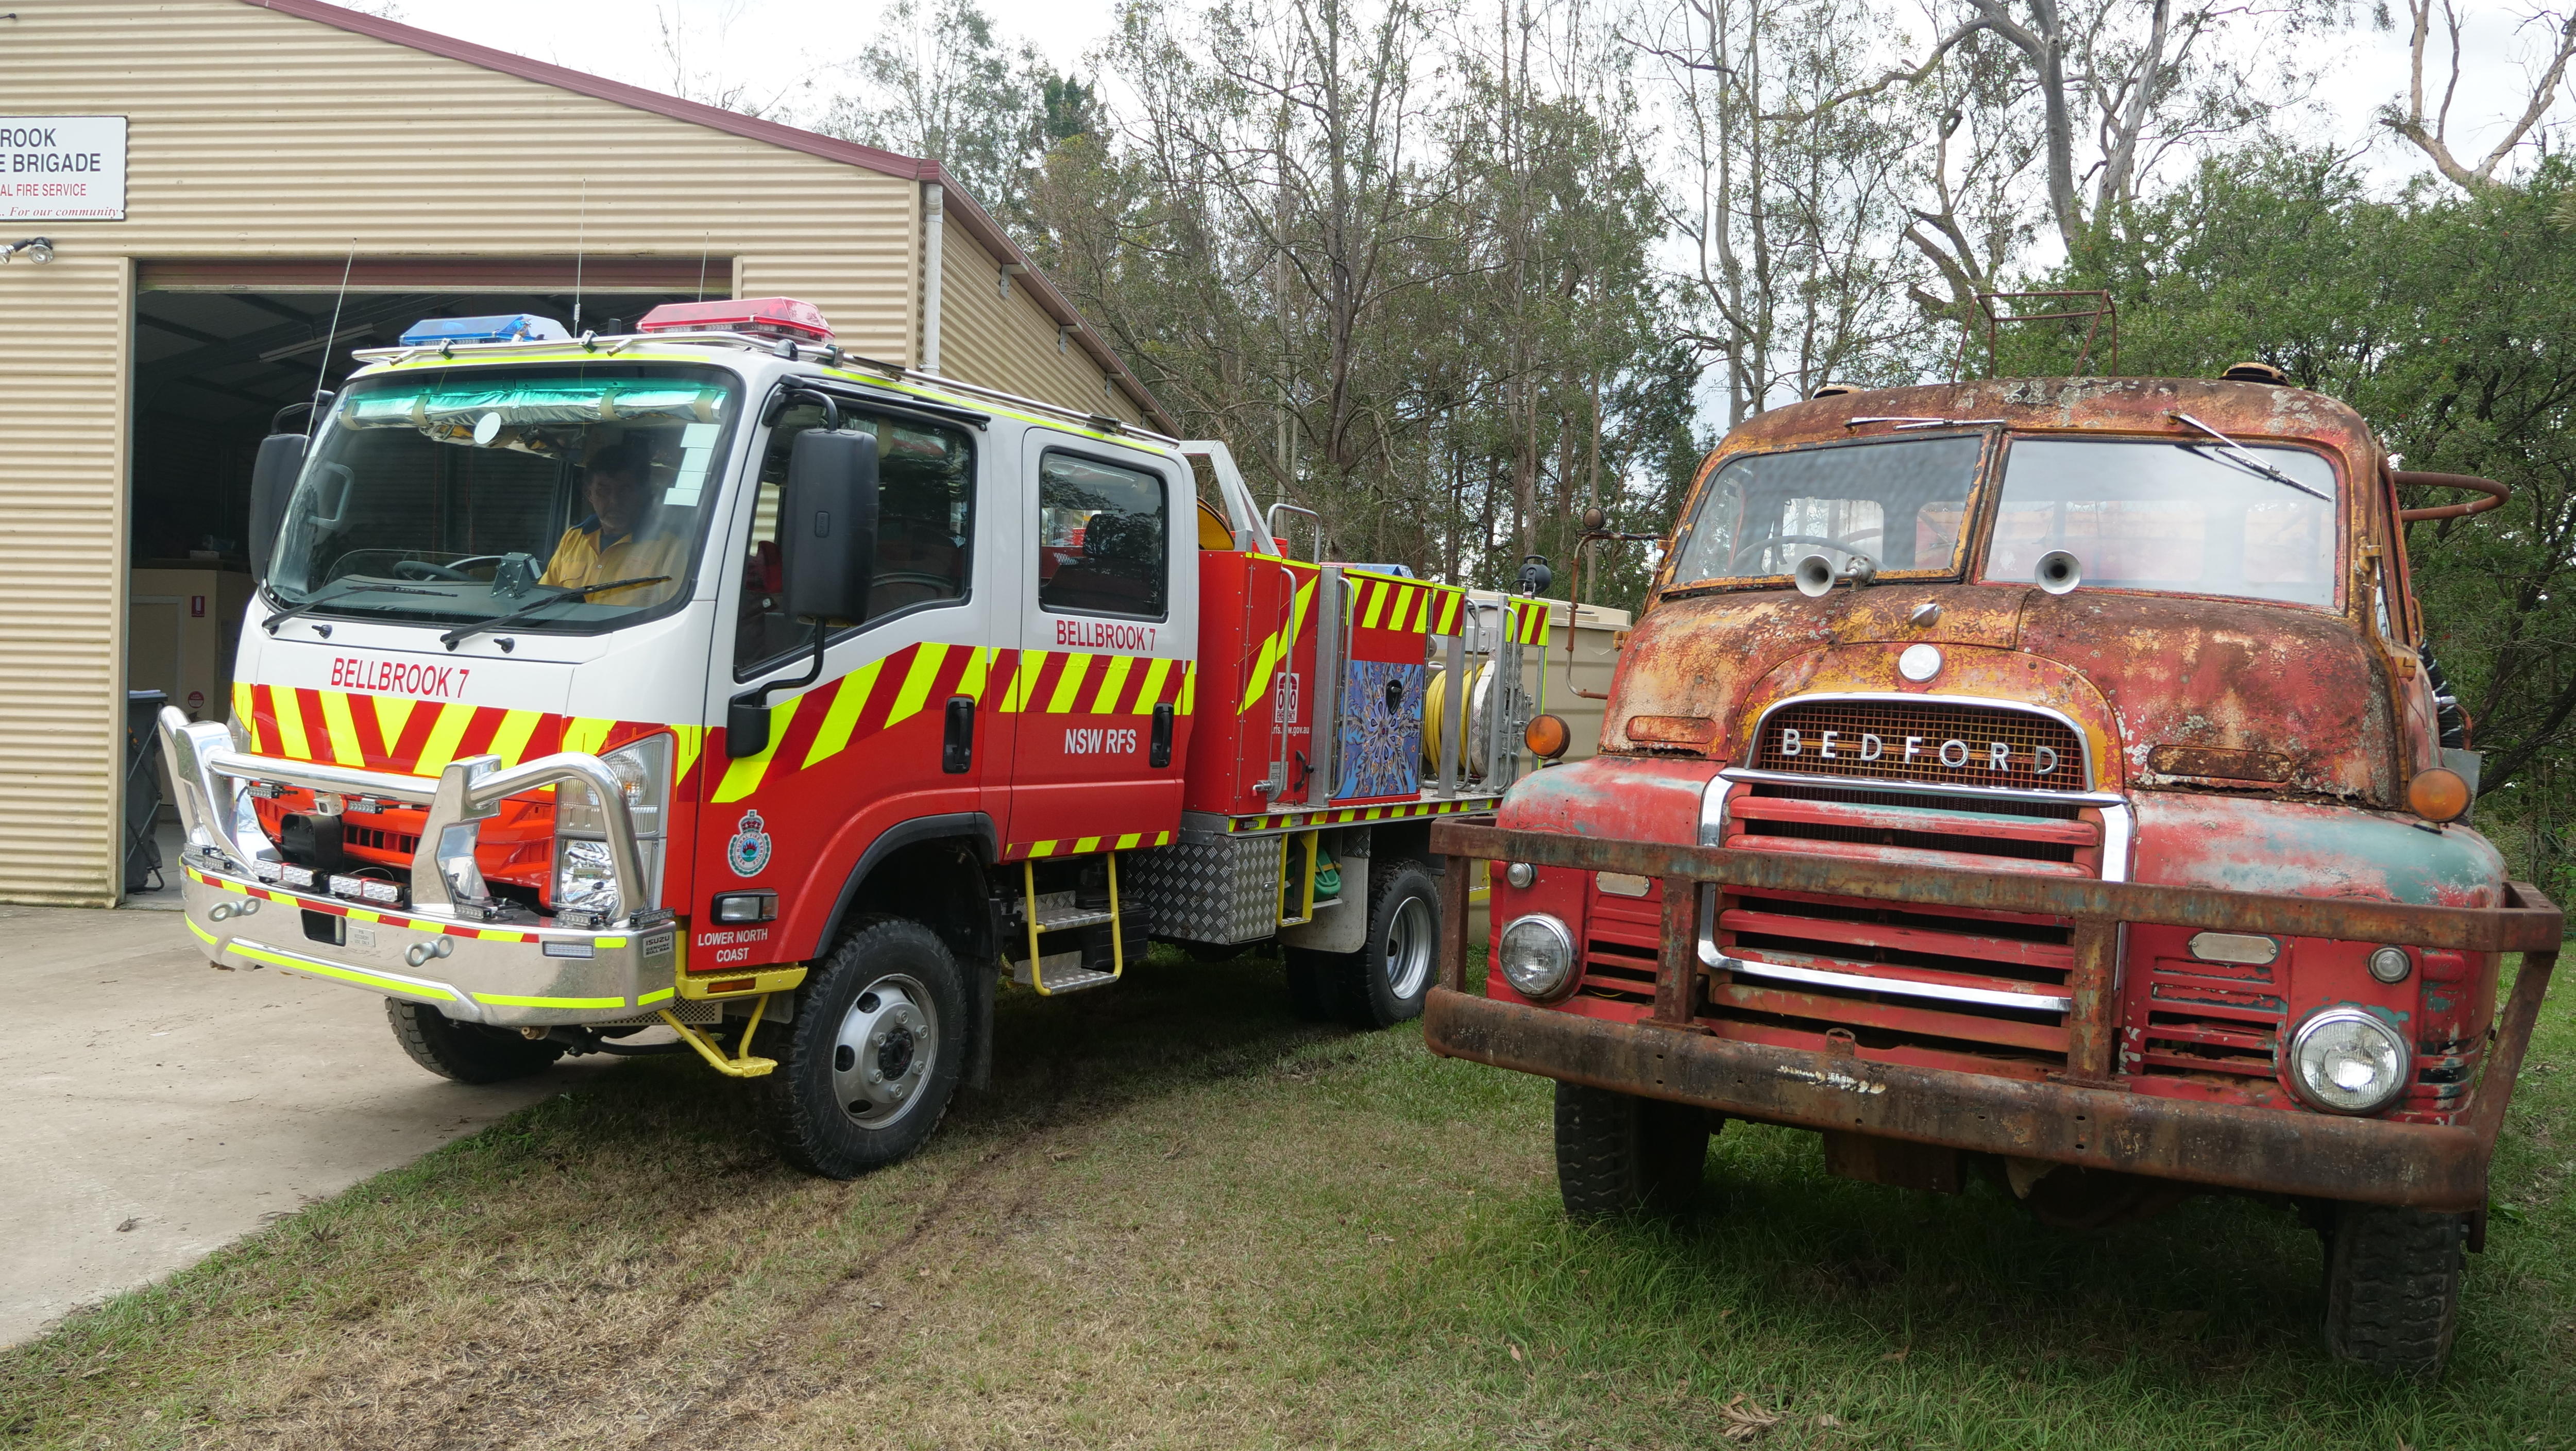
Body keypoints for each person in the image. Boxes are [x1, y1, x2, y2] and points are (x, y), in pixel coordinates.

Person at [539, 440, 689, 605]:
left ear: (644, 493)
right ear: (590, 494)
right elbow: (546, 600)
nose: (614, 501)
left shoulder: (671, 546)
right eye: (603, 491)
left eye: (625, 490)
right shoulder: (574, 538)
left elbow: (676, 612)